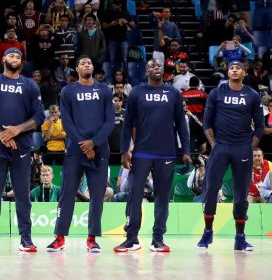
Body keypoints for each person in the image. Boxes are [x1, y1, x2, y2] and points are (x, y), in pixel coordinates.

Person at [115, 59, 191, 252]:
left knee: (162, 197)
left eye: (159, 66)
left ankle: (158, 239)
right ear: (146, 70)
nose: (156, 68)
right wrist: (125, 150)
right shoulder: (137, 92)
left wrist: (186, 151)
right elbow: (127, 124)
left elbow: (181, 125)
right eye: (152, 66)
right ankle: (131, 238)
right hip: (141, 153)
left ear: (163, 70)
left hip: (166, 153)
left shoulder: (173, 93)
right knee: (134, 195)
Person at [0, 48, 45, 252]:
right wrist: (1, 135)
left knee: (23, 194)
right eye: (11, 55)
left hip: (22, 148)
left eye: (18, 57)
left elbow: (39, 116)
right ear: (3, 58)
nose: (15, 59)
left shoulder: (30, 85)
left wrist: (16, 130)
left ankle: (26, 239)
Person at [46, 56, 114, 253]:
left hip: (99, 150)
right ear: (76, 68)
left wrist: (94, 142)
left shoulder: (103, 89)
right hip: (76, 150)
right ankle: (59, 238)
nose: (87, 65)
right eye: (83, 63)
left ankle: (92, 239)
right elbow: (66, 121)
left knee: (97, 195)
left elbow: (109, 121)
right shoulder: (68, 90)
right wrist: (84, 145)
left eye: (90, 63)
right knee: (67, 193)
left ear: (93, 67)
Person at [197, 60, 264, 252]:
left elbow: (259, 127)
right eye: (231, 67)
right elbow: (207, 123)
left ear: (244, 72)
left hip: (242, 148)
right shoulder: (217, 93)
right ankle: (207, 232)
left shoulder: (252, 95)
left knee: (241, 195)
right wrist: (214, 145)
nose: (234, 70)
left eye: (238, 68)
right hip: (221, 147)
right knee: (211, 191)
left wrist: (249, 147)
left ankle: (240, 237)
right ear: (227, 71)